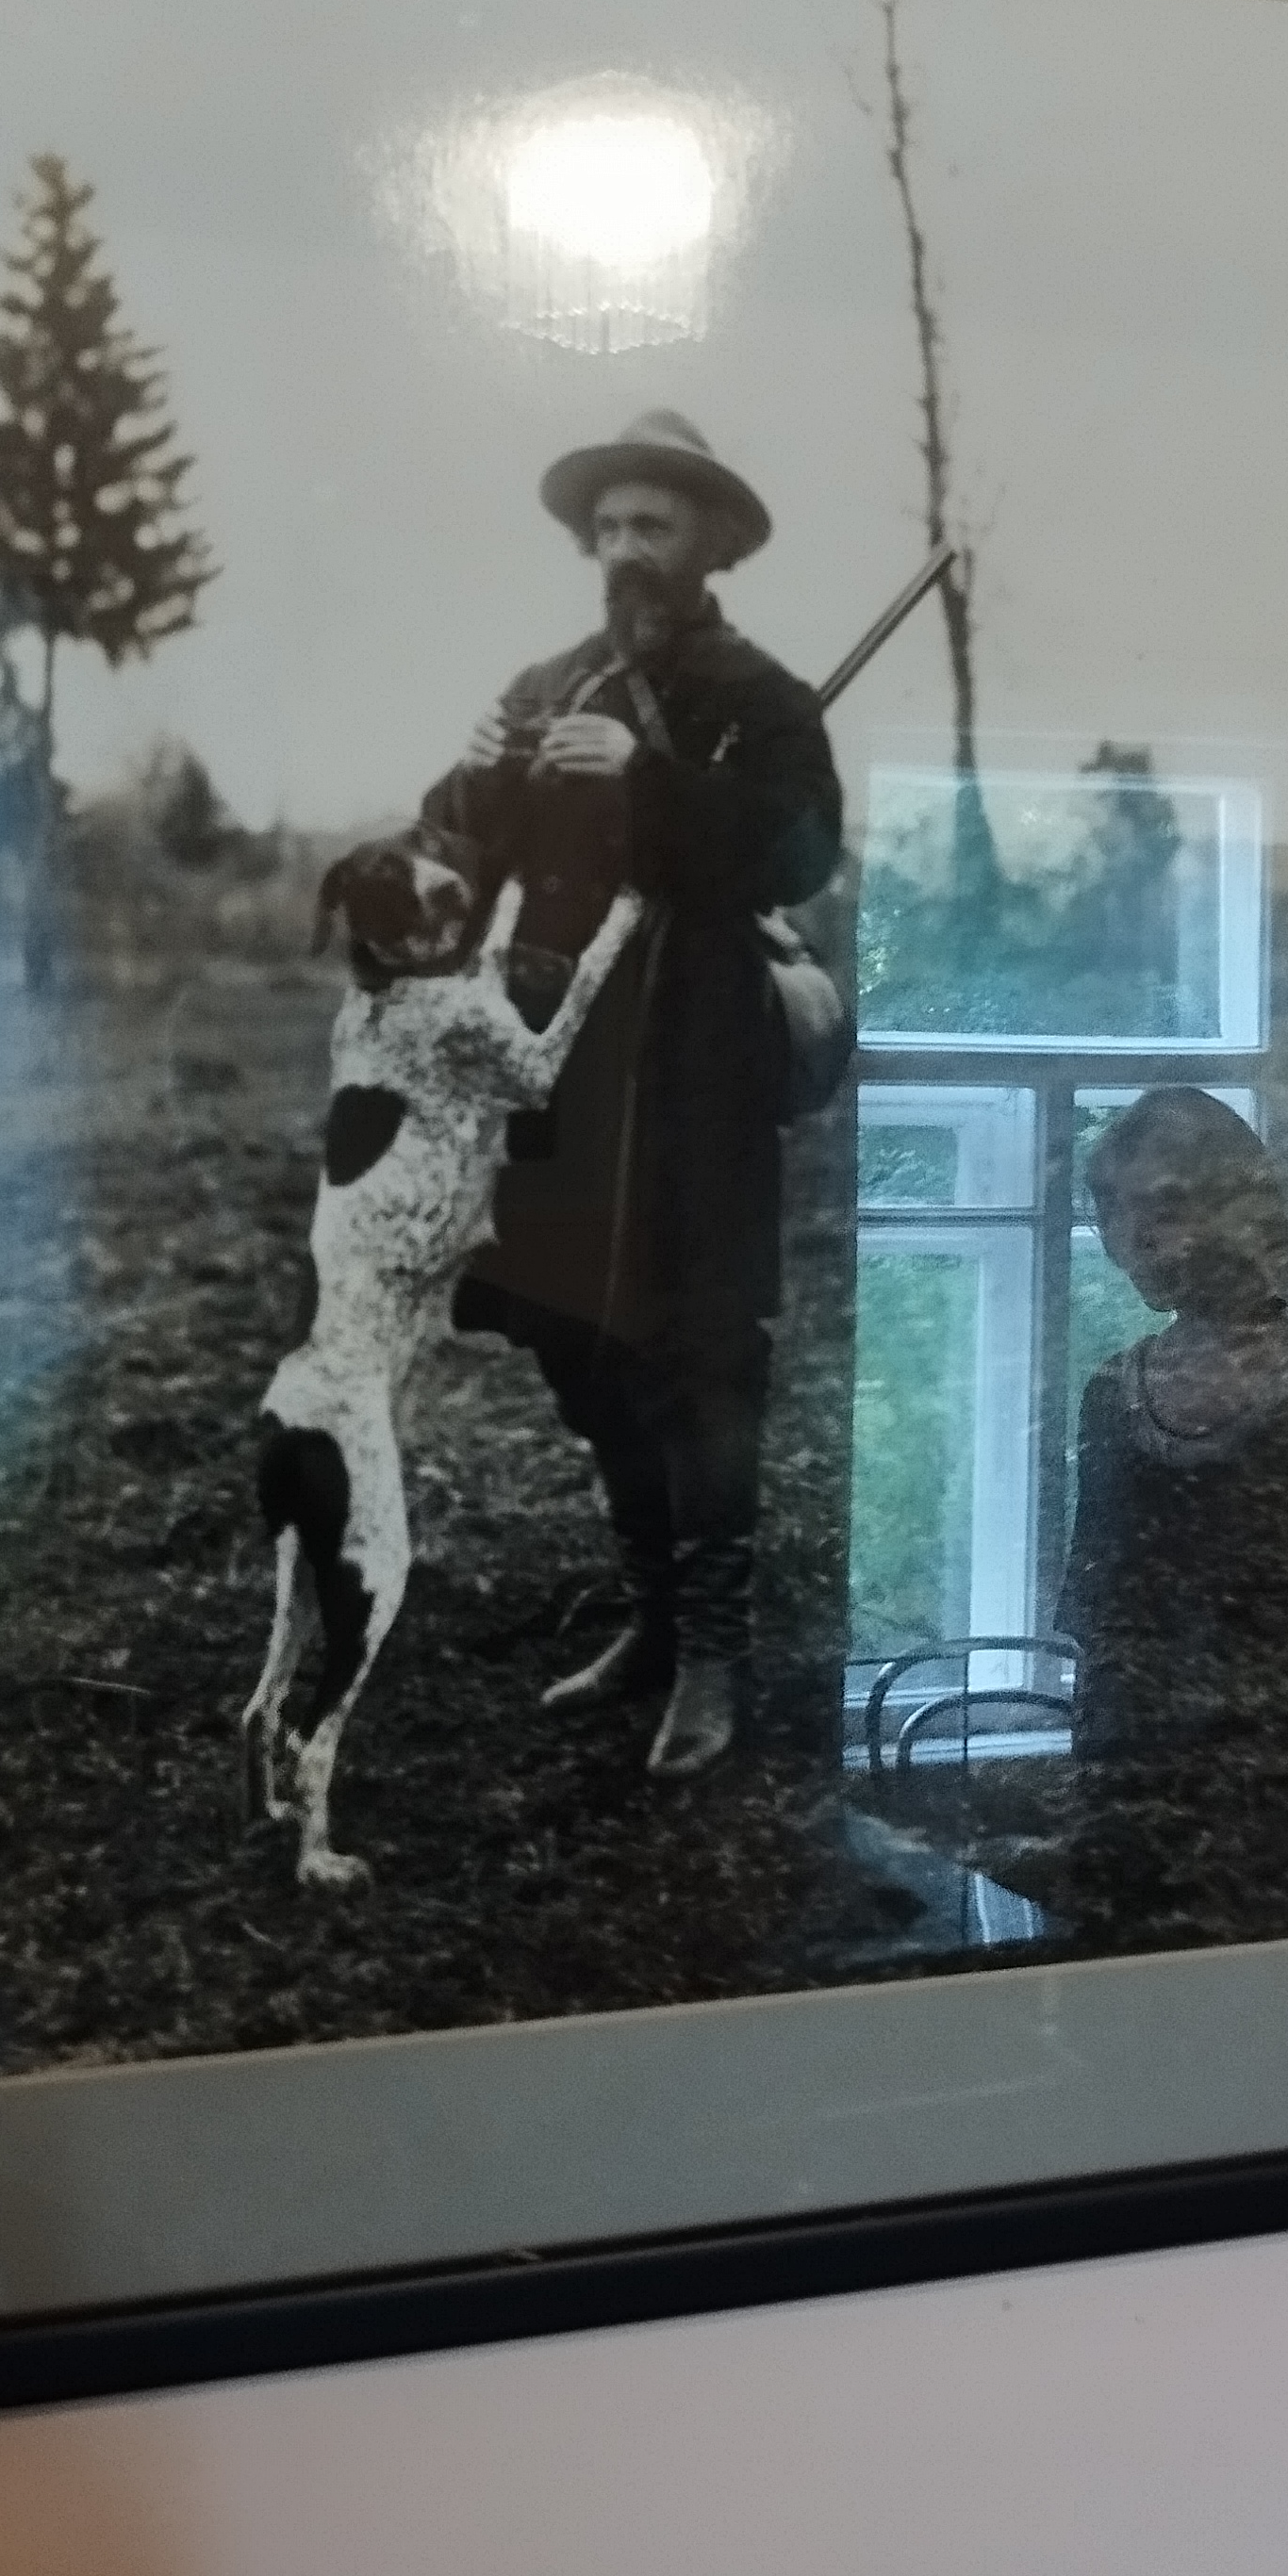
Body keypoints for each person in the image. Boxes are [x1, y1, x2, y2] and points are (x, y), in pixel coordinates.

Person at [423, 408, 842, 1779]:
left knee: (700, 1359)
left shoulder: (762, 698)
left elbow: (799, 856)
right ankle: (654, 1622)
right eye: (607, 527)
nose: (625, 549)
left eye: (652, 525)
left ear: (710, 544)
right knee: (581, 1348)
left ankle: (715, 1657)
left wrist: (650, 784)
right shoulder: (547, 685)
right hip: (558, 1077)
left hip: (693, 1082)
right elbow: (457, 858)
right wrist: (478, 778)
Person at [1056, 1085, 1288, 1942]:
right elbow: (1099, 1628)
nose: (1135, 1237)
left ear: (1237, 1206)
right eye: (1116, 1210)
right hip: (1133, 1794)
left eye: (1165, 1206)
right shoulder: (1113, 1393)